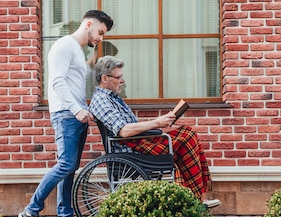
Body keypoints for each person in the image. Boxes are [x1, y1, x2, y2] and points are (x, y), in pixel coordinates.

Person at [19, 10, 114, 217]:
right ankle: (30, 211)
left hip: (76, 115)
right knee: (66, 165)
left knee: (70, 169)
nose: (100, 38)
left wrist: (85, 109)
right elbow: (57, 82)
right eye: (100, 32)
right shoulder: (64, 45)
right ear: (88, 24)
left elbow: (71, 85)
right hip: (66, 114)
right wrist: (76, 109)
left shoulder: (77, 51)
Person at [89, 55, 220, 208]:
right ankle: (195, 198)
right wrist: (157, 123)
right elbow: (123, 130)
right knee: (186, 136)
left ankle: (195, 197)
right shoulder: (101, 100)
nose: (122, 81)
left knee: (187, 134)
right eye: (119, 77)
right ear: (105, 78)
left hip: (137, 143)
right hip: (129, 149)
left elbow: (131, 127)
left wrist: (160, 122)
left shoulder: (113, 98)